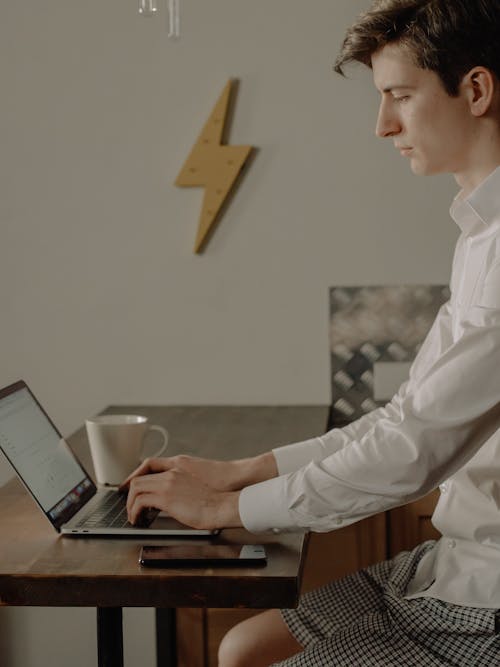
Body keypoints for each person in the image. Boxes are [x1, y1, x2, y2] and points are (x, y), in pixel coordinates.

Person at [120, 1, 500, 664]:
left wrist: (225, 509)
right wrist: (240, 473)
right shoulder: (478, 236)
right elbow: (404, 417)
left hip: (484, 602)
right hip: (447, 563)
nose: (383, 126)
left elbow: (412, 452)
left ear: (474, 90)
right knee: (239, 647)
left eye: (399, 97)